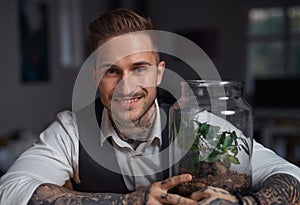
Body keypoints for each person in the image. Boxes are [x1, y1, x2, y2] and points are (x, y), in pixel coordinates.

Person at [0, 8, 299, 205]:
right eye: (112, 71)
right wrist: (127, 202)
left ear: (159, 72)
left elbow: (289, 175)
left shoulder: (197, 124)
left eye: (139, 68)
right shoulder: (71, 129)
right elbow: (10, 190)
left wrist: (245, 204)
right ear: (94, 77)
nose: (126, 87)